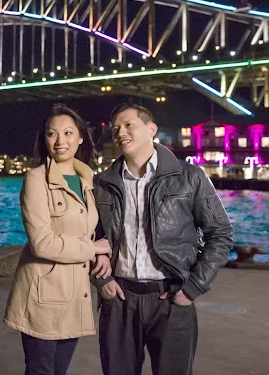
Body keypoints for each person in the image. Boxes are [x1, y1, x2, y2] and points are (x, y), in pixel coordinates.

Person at [92, 103, 234, 375]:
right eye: (115, 128)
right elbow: (90, 236)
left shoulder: (189, 177)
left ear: (151, 129)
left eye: (129, 125)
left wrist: (194, 287)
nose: (120, 132)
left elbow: (221, 233)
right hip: (119, 299)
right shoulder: (102, 184)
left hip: (171, 298)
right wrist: (101, 279)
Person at [4, 104, 112, 375]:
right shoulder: (36, 179)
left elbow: (87, 230)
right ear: (44, 140)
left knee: (59, 371)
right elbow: (42, 243)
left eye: (67, 133)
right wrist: (93, 248)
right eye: (52, 134)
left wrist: (100, 251)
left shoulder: (87, 181)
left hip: (75, 294)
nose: (60, 141)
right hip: (44, 296)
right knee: (41, 371)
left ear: (80, 138)